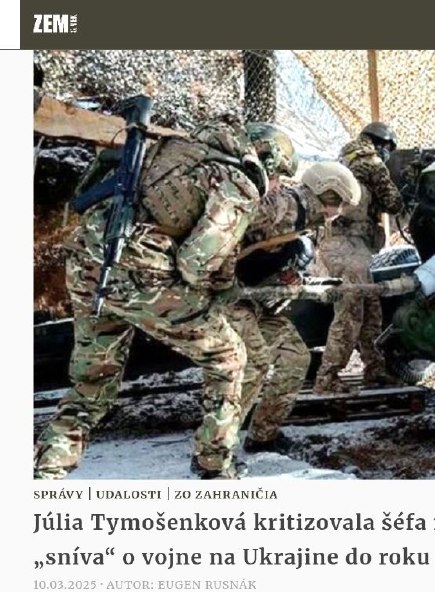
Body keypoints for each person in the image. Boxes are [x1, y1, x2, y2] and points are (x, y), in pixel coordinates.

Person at [33, 119, 268, 480]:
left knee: (92, 384)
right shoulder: (236, 182)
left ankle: (46, 471)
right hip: (143, 279)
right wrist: (214, 289)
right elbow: (196, 263)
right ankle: (214, 464)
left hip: (87, 266)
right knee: (228, 357)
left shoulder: (168, 149)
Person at [230, 124, 361, 452]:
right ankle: (216, 450)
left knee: (295, 357)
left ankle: (263, 436)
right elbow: (230, 228)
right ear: (328, 194)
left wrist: (292, 281)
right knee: (255, 363)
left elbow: (279, 262)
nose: (338, 212)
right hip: (230, 299)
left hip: (256, 301)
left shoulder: (308, 223)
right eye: (338, 203)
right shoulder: (284, 205)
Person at [313, 122, 405, 394]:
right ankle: (327, 378)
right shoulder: (371, 161)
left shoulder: (344, 158)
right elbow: (393, 203)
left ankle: (375, 368)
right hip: (349, 246)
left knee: (371, 308)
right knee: (351, 311)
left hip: (342, 245)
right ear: (382, 144)